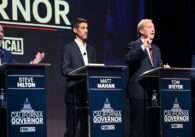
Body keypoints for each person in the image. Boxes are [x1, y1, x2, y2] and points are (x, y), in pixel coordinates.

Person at [124, 19, 170, 137]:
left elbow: (158, 67)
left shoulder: (156, 49)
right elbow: (128, 58)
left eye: (153, 27)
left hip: (153, 93)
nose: (153, 29)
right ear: (141, 30)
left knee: (151, 126)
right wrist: (143, 47)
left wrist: (164, 68)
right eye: (149, 27)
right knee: (137, 125)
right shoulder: (134, 45)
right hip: (138, 91)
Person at [60, 18, 97, 137]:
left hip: (88, 95)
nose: (86, 31)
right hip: (74, 94)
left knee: (87, 130)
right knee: (71, 130)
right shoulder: (68, 48)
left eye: (87, 28)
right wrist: (79, 72)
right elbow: (64, 69)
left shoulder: (91, 49)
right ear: (75, 30)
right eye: (83, 28)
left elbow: (94, 70)